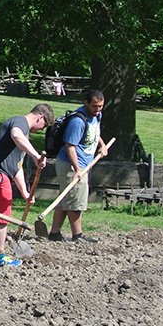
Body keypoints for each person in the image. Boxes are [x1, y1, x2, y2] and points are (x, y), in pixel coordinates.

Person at [0, 104, 53, 267]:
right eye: (44, 126)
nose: (41, 130)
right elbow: (16, 135)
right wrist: (37, 156)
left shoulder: (24, 134)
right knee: (1, 216)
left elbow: (16, 166)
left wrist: (25, 191)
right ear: (40, 117)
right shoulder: (20, 123)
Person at [48, 89, 108, 242]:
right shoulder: (78, 121)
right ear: (86, 103)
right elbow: (70, 147)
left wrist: (102, 145)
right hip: (71, 165)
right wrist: (77, 169)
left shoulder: (96, 116)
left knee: (65, 198)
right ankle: (78, 235)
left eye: (101, 106)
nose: (98, 110)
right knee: (75, 201)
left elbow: (95, 132)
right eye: (95, 106)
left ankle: (55, 233)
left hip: (80, 165)